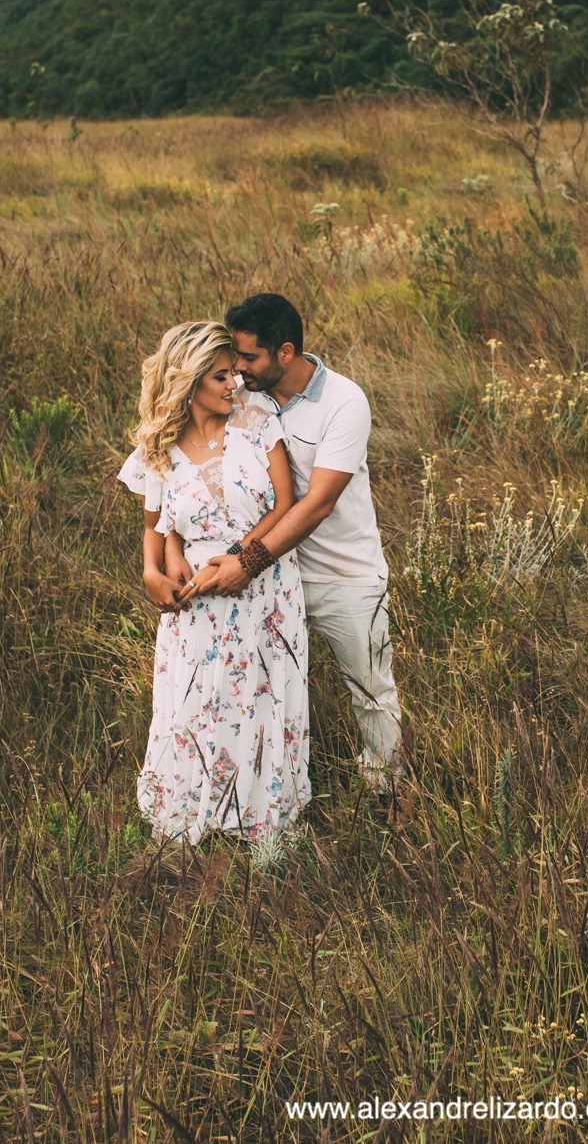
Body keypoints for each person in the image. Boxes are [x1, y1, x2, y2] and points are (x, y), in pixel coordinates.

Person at [186, 293, 404, 816]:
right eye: (234, 359)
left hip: (344, 577)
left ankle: (389, 800)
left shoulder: (344, 403)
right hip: (271, 578)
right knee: (261, 689)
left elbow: (317, 504)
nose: (237, 370)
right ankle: (262, 800)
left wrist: (247, 559)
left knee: (370, 692)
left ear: (285, 352)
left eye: (249, 358)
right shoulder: (241, 396)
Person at [116, 321, 310, 843]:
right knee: (199, 704)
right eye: (221, 376)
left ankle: (260, 820)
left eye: (234, 373)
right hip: (196, 605)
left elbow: (286, 505)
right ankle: (196, 817)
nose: (235, 384)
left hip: (264, 588)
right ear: (190, 381)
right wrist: (154, 573)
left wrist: (241, 560)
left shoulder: (257, 420)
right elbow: (152, 529)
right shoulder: (157, 449)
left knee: (263, 701)